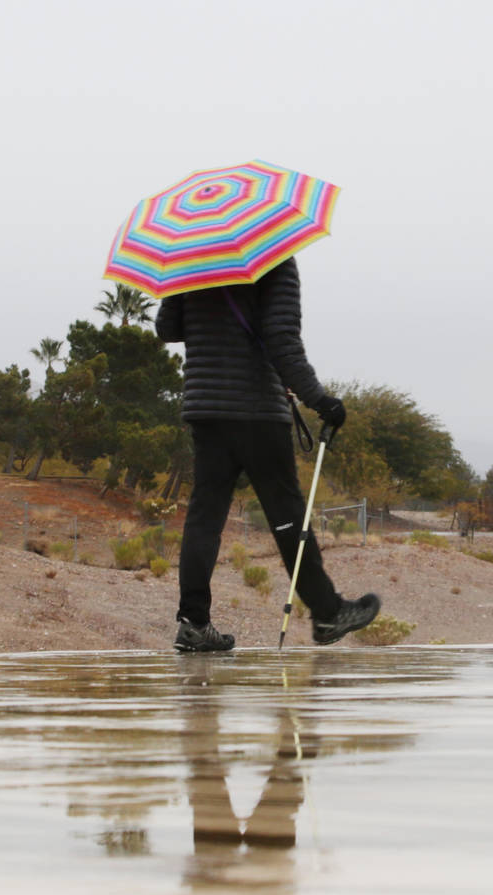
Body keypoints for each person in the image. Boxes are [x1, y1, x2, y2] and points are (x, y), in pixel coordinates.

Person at [155, 256, 380, 652]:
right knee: (288, 516)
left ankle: (193, 623)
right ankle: (327, 613)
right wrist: (320, 400)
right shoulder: (274, 260)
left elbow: (167, 328)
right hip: (257, 410)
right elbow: (281, 339)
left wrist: (179, 283)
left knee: (204, 518)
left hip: (206, 410)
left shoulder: (190, 260)